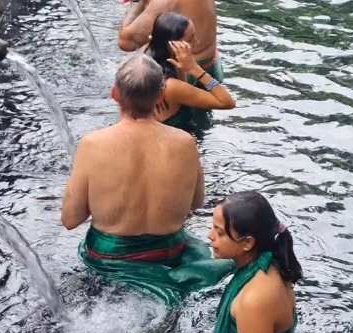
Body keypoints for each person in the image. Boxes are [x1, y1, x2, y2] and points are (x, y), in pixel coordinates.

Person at [62, 52, 231, 301]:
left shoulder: (92, 144)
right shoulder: (185, 142)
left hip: (108, 260)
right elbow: (196, 202)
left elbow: (70, 219)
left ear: (115, 95)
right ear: (161, 95)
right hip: (169, 255)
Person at [206, 191, 300, 333]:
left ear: (248, 243)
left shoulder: (255, 298)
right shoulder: (270, 264)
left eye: (220, 232)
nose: (210, 236)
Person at [147, 12, 236, 132]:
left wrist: (181, 67)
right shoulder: (171, 86)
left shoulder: (150, 58)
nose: (197, 43)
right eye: (190, 39)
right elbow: (227, 102)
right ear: (171, 45)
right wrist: (195, 69)